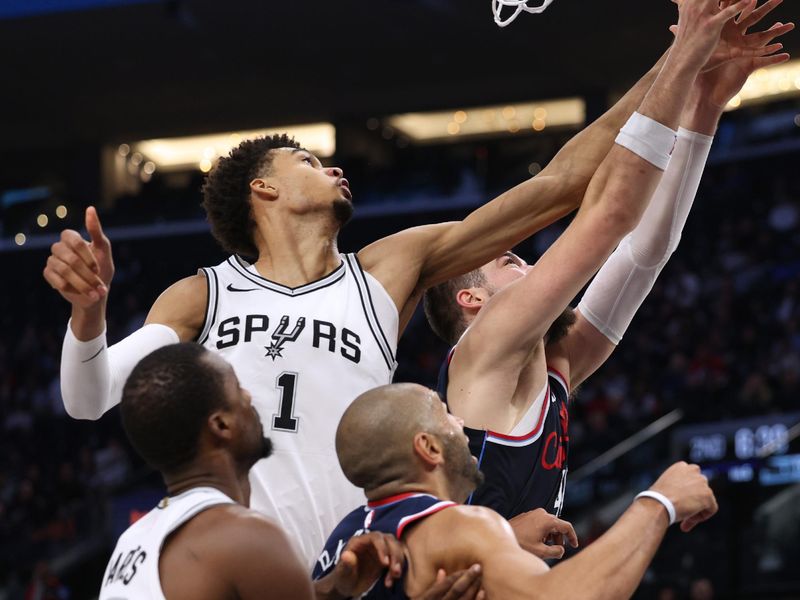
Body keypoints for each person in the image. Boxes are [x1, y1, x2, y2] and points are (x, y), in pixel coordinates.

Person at [41, 0, 778, 563]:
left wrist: (681, 54)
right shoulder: (202, 293)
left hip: (361, 558)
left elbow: (565, 184)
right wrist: (88, 315)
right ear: (261, 192)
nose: (332, 165)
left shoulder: (390, 268)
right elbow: (89, 398)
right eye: (304, 160)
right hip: (239, 552)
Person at [423, 0, 792, 524]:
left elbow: (645, 254)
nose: (532, 269)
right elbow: (611, 215)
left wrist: (704, 106)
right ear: (472, 299)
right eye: (511, 263)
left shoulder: (554, 367)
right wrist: (684, 53)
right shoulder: (483, 347)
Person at [101, 343, 483, 600]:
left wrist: (333, 588)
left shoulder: (132, 542)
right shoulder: (244, 537)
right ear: (221, 426)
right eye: (238, 390)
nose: (250, 398)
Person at [315, 382, 719, 599]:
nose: (459, 421)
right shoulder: (459, 524)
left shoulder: (339, 543)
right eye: (444, 414)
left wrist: (503, 539)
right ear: (429, 447)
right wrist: (660, 503)